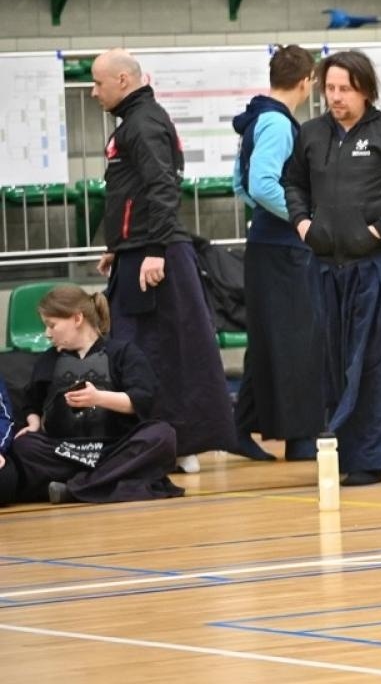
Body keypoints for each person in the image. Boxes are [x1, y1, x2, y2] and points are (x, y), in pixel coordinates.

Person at [282, 50, 381, 486]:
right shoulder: (310, 135)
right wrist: (303, 223)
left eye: (344, 89)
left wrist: (380, 230)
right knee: (336, 359)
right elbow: (293, 182)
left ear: (365, 89)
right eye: (329, 88)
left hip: (377, 267)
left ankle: (364, 458)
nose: (335, 97)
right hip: (326, 267)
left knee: (372, 361)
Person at [90, 48, 244, 471]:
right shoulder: (137, 121)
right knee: (143, 351)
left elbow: (162, 188)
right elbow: (131, 193)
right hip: (138, 251)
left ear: (123, 81)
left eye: (98, 83)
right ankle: (162, 442)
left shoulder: (144, 123)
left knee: (163, 352)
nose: (92, 91)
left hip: (155, 256)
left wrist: (153, 250)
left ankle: (180, 444)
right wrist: (116, 245)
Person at [0, 286, 182, 506]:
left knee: (162, 436)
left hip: (113, 449)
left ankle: (74, 488)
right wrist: (33, 423)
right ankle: (103, 482)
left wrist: (99, 398)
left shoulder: (124, 353)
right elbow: (32, 403)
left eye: (52, 325)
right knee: (24, 446)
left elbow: (142, 400)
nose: (47, 334)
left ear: (77, 318)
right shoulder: (48, 360)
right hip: (65, 451)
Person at [231, 44, 325, 462]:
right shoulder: (279, 124)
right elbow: (262, 184)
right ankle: (301, 438)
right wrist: (305, 219)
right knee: (296, 343)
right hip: (285, 249)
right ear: (308, 82)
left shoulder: (256, 117)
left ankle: (238, 427)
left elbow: (239, 184)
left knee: (269, 341)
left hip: (265, 246)